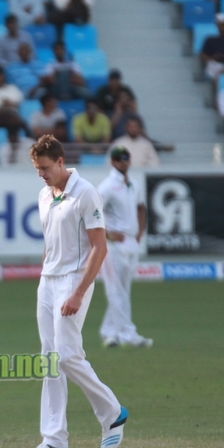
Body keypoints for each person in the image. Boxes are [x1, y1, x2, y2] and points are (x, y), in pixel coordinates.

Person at [25, 135, 127, 448]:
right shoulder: (44, 194)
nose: (41, 174)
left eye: (44, 168)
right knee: (49, 359)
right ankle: (54, 440)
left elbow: (100, 247)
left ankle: (112, 411)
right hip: (49, 281)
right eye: (36, 169)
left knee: (67, 355)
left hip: (74, 280)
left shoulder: (85, 193)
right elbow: (51, 242)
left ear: (59, 162)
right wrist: (45, 276)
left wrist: (78, 292)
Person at [97, 146, 151, 348]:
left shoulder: (133, 184)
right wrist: (106, 234)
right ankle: (129, 334)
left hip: (130, 242)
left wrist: (138, 233)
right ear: (112, 162)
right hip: (112, 244)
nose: (123, 162)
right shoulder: (107, 186)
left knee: (123, 290)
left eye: (126, 158)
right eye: (119, 159)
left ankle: (109, 333)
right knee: (115, 290)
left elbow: (141, 207)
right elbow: (89, 213)